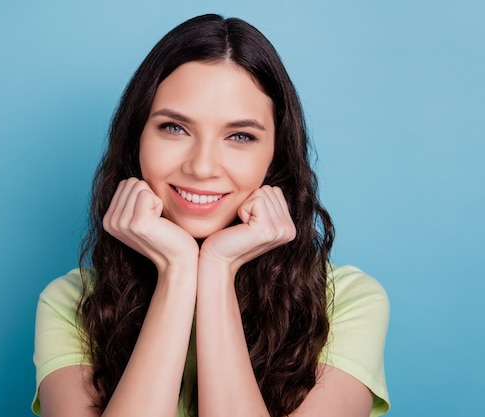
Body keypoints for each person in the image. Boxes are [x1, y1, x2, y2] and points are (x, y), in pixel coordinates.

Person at [32, 14, 390, 417]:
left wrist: (218, 269)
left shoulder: (349, 304)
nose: (202, 167)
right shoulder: (70, 303)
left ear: (276, 157)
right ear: (136, 141)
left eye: (240, 136)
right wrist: (178, 270)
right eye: (174, 128)